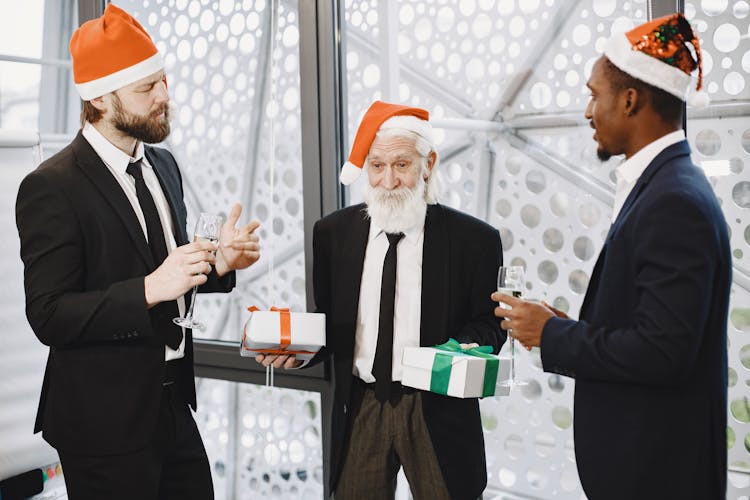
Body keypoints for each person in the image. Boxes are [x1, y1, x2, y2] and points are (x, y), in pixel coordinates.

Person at [15, 4, 260, 499]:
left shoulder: (164, 166)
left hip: (173, 405)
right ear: (101, 98)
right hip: (101, 423)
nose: (165, 96)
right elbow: (49, 315)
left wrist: (220, 265)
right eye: (147, 88)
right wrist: (150, 289)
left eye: (164, 81)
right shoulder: (50, 187)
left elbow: (168, 266)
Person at [493, 13, 730, 500]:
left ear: (629, 99)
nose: (587, 111)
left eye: (594, 94)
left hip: (656, 476)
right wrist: (558, 326)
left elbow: (663, 353)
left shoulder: (674, 201)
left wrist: (554, 333)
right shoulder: (666, 187)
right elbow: (651, 327)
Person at [256, 101, 503, 499]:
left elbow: (489, 323)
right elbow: (331, 322)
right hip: (360, 406)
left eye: (402, 165)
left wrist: (465, 349)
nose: (387, 181)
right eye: (376, 166)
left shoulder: (475, 240)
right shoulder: (332, 233)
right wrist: (298, 351)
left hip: (435, 409)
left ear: (429, 164)